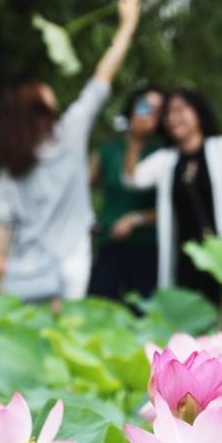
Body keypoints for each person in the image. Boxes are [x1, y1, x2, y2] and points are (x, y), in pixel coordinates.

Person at [0, 0, 141, 304]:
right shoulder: (69, 134)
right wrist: (127, 26)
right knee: (63, 343)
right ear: (40, 108)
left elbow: (5, 219)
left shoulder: (12, 159)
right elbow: (102, 79)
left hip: (26, 268)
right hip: (70, 264)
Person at [124, 87, 222, 333]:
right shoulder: (167, 159)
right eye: (167, 114)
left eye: (180, 110)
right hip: (184, 260)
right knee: (189, 330)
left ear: (198, 112)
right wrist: (135, 139)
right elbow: (133, 179)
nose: (173, 118)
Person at [89, 85, 164, 301]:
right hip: (109, 242)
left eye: (158, 110)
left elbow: (173, 208)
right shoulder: (108, 151)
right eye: (145, 107)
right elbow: (81, 190)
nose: (150, 114)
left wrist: (136, 219)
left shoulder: (162, 154)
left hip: (147, 247)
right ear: (131, 109)